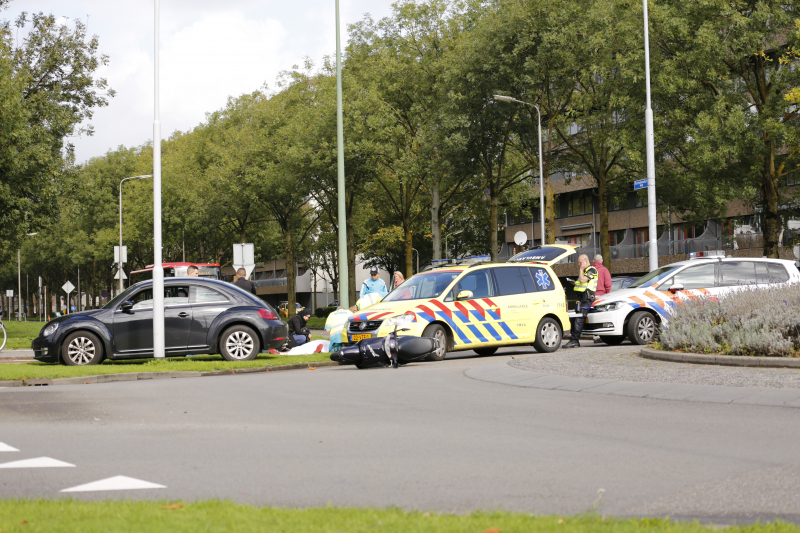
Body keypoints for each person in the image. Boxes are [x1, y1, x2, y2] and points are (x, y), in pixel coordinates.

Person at [564, 254, 598, 349]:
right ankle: (574, 340)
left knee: (579, 320)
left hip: (587, 299)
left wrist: (581, 269)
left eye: (580, 262)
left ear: (585, 261)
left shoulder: (592, 270)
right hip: (581, 299)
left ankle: (574, 341)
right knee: (574, 319)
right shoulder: (585, 271)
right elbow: (581, 282)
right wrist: (574, 282)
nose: (579, 264)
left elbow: (583, 280)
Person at [592, 254, 612, 344]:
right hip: (601, 295)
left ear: (594, 261)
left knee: (593, 315)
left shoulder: (590, 270)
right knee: (601, 315)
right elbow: (608, 283)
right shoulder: (604, 270)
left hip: (591, 295)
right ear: (602, 261)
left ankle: (595, 336)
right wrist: (608, 294)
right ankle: (602, 334)